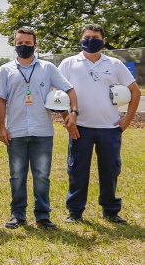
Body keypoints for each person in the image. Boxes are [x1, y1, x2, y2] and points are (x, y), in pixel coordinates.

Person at [58, 23, 141, 224]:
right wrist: (67, 119)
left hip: (110, 128)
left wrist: (126, 121)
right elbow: (57, 94)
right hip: (80, 128)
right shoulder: (68, 63)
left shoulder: (114, 64)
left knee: (110, 170)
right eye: (87, 37)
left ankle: (111, 211)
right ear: (81, 40)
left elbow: (135, 91)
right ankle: (75, 212)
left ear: (103, 41)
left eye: (95, 37)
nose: (91, 40)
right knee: (77, 170)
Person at [0, 27, 77, 230]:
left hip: (42, 131)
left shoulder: (48, 68)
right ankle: (18, 215)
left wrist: (72, 112)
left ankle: (42, 215)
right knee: (17, 175)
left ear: (36, 44)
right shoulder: (6, 70)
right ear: (15, 44)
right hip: (15, 131)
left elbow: (68, 89)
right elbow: (1, 99)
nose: (24, 46)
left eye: (28, 43)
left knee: (42, 175)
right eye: (20, 43)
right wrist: (1, 127)